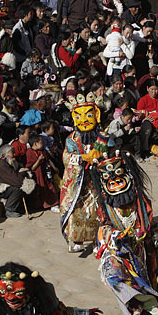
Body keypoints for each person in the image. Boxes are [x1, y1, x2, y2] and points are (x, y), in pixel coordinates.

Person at [90, 150, 158, 315]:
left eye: (118, 175)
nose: (114, 181)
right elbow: (104, 226)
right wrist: (113, 236)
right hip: (115, 249)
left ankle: (136, 313)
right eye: (108, 178)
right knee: (114, 278)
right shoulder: (105, 205)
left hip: (138, 249)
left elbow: (149, 221)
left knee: (139, 280)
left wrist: (155, 234)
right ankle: (134, 310)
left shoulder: (140, 200)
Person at [59, 94, 104, 253]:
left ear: (96, 115)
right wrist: (82, 158)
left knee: (99, 210)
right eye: (79, 116)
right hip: (78, 182)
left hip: (97, 180)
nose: (84, 120)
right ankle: (76, 240)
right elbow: (66, 158)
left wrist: (100, 155)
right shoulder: (71, 139)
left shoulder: (101, 137)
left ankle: (99, 239)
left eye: (89, 115)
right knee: (75, 211)